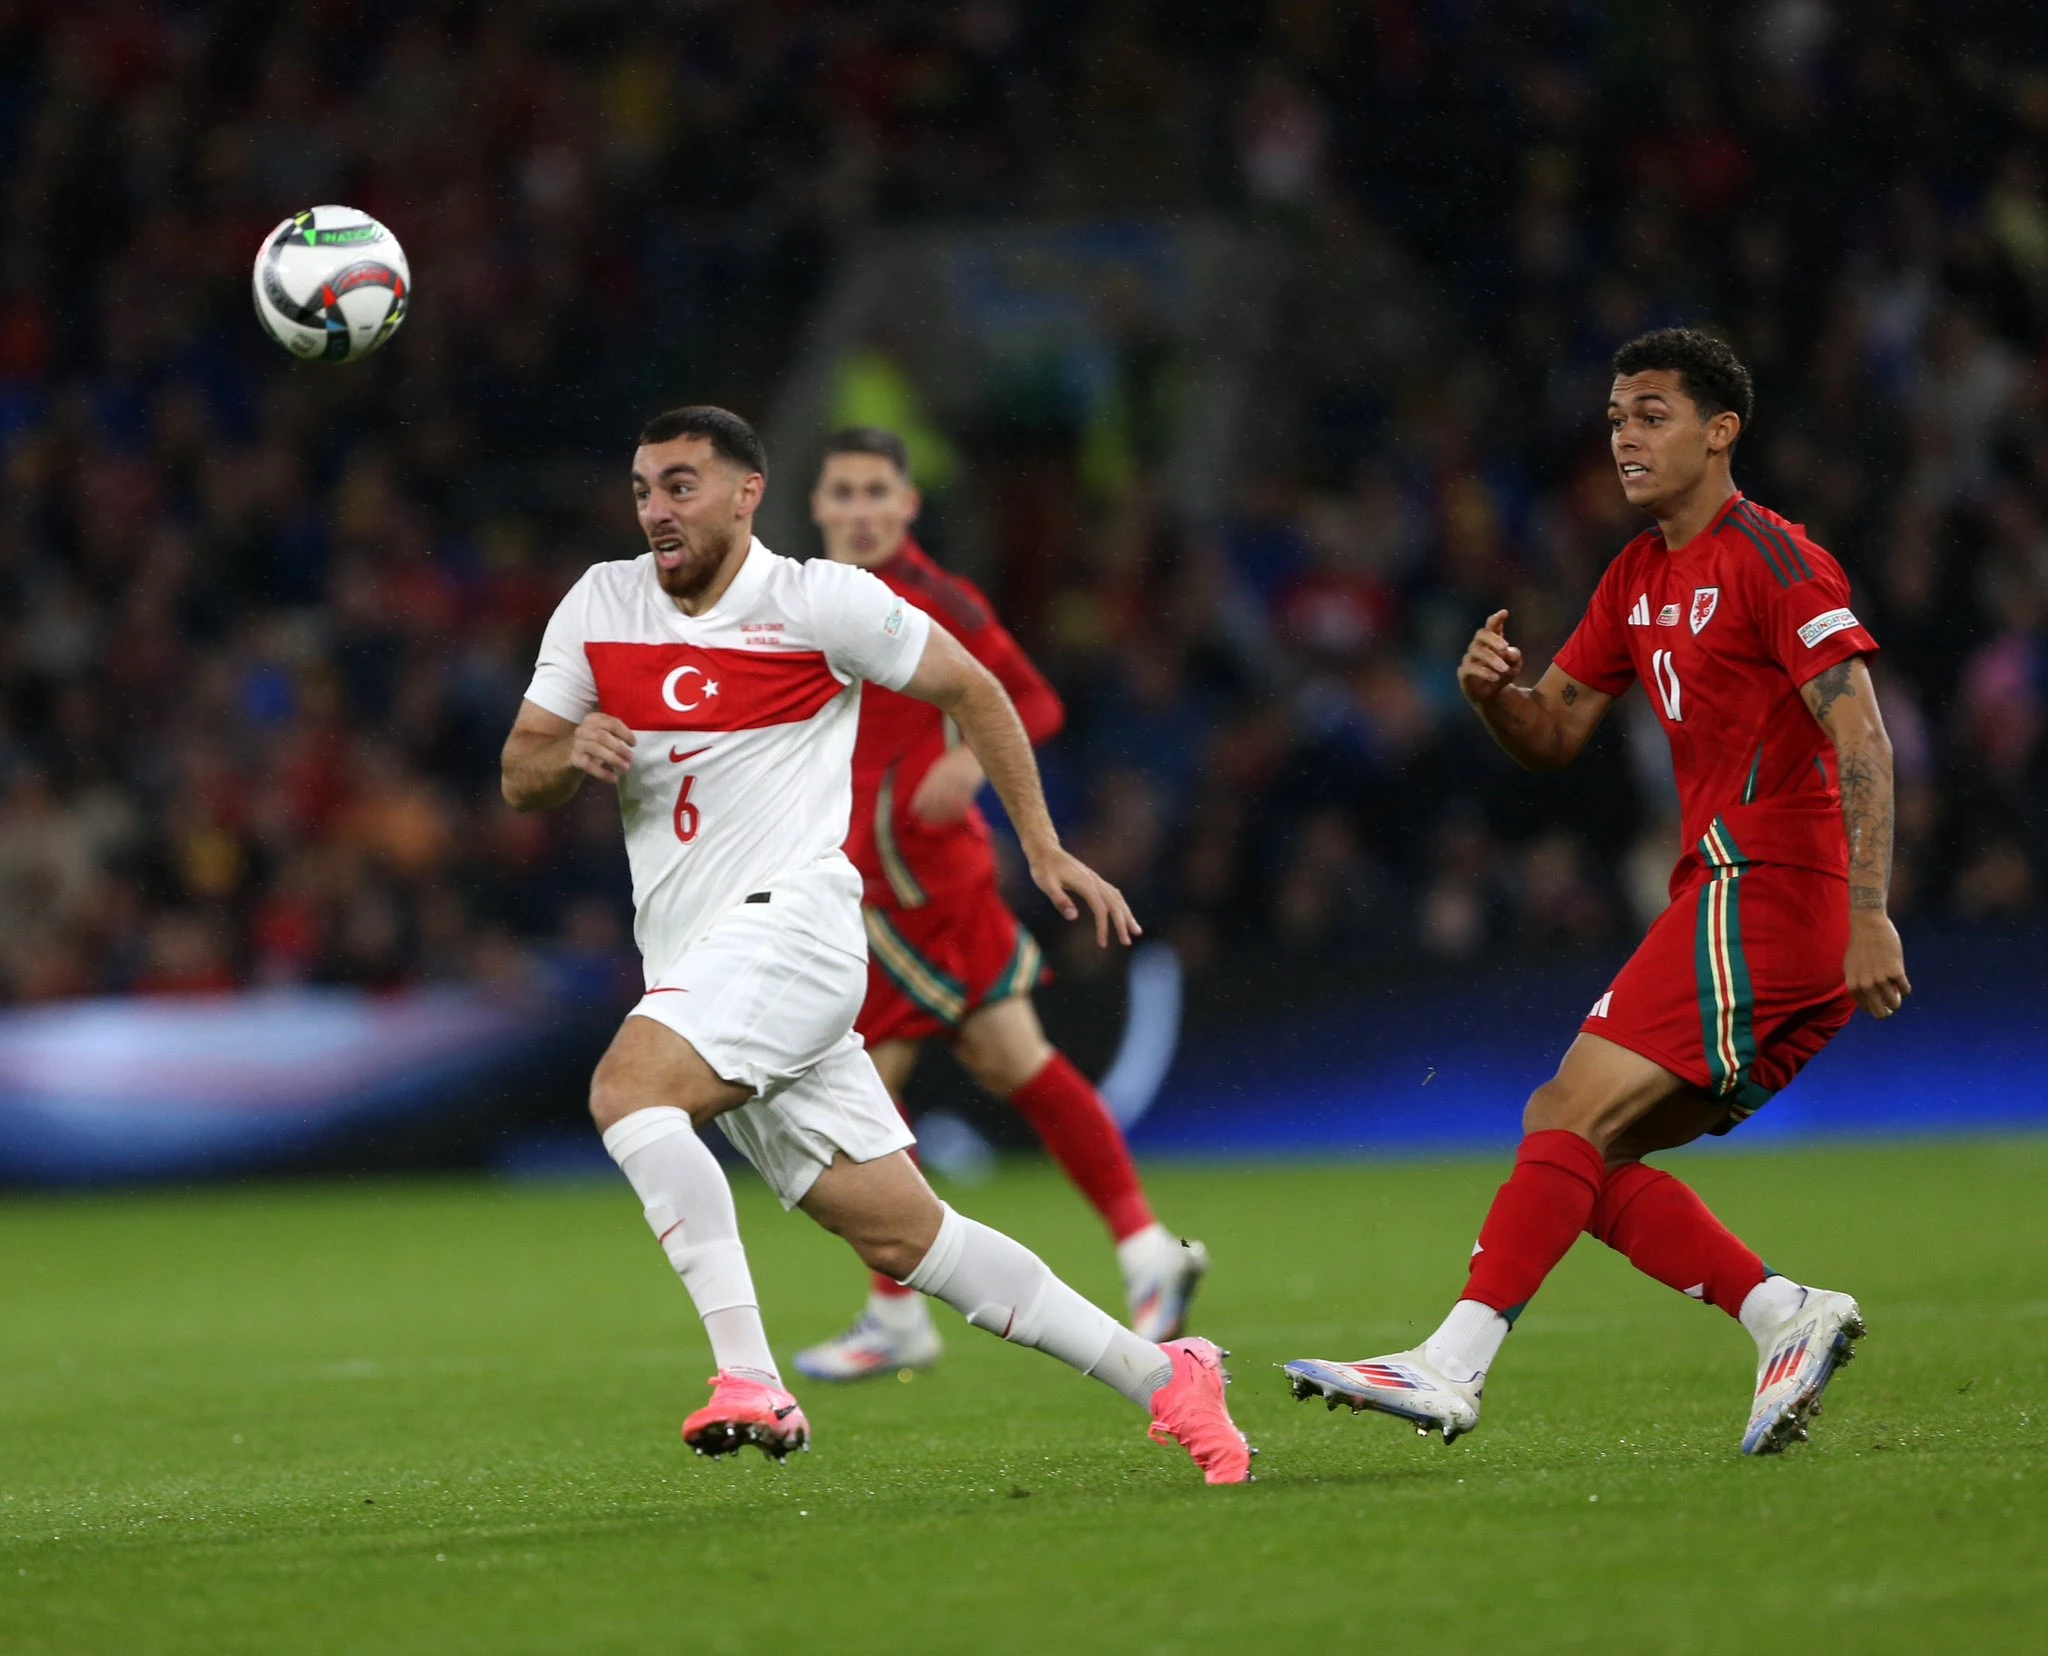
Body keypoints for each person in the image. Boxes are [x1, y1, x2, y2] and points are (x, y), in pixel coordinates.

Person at [500, 405, 1250, 1483]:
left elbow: (976, 689)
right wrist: (572, 745)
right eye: (641, 490)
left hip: (796, 931)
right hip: (700, 962)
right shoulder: (598, 603)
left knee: (629, 1092)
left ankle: (748, 1376)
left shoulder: (818, 602)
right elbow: (520, 773)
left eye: (679, 487)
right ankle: (1165, 1377)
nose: (655, 511)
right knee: (906, 1237)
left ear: (746, 492)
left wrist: (1039, 850)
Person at [1285, 329, 1911, 1455]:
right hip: (1749, 906)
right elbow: (1557, 728)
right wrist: (1494, 699)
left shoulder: (1772, 559)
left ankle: (1448, 1362)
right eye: (1616, 415)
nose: (1624, 434)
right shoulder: (1633, 575)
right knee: (1576, 1146)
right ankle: (1783, 1314)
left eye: (1653, 413)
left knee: (1567, 1111)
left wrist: (1868, 908)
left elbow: (1857, 728)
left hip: (1767, 888)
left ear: (1721, 432)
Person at [792, 427, 1207, 1382]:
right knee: (1011, 1061)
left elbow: (1032, 701)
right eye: (842, 493)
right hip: (874, 882)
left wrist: (967, 758)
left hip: (919, 886)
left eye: (874, 493)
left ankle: (897, 1315)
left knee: (859, 1097)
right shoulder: (809, 600)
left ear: (907, 508)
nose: (857, 510)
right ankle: (1146, 1250)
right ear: (818, 508)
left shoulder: (938, 604)